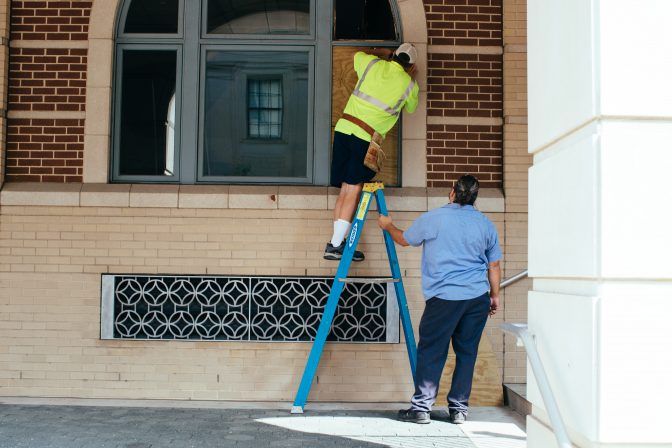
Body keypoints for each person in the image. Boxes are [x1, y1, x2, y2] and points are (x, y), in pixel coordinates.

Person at [377, 174, 502, 425]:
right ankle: (458, 410)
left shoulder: (435, 218)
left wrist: (388, 225)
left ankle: (422, 408)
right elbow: (494, 265)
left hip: (444, 298)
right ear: (475, 197)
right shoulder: (486, 224)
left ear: (452, 192)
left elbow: (404, 240)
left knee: (432, 350)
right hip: (476, 297)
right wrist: (494, 295)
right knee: (467, 352)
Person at [324, 43, 420, 262]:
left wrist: (382, 55)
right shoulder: (409, 85)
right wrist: (409, 76)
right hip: (364, 138)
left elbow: (358, 55)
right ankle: (336, 245)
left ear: (394, 54)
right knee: (352, 189)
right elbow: (412, 108)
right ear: (411, 65)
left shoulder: (372, 64)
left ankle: (335, 242)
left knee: (345, 189)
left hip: (343, 129)